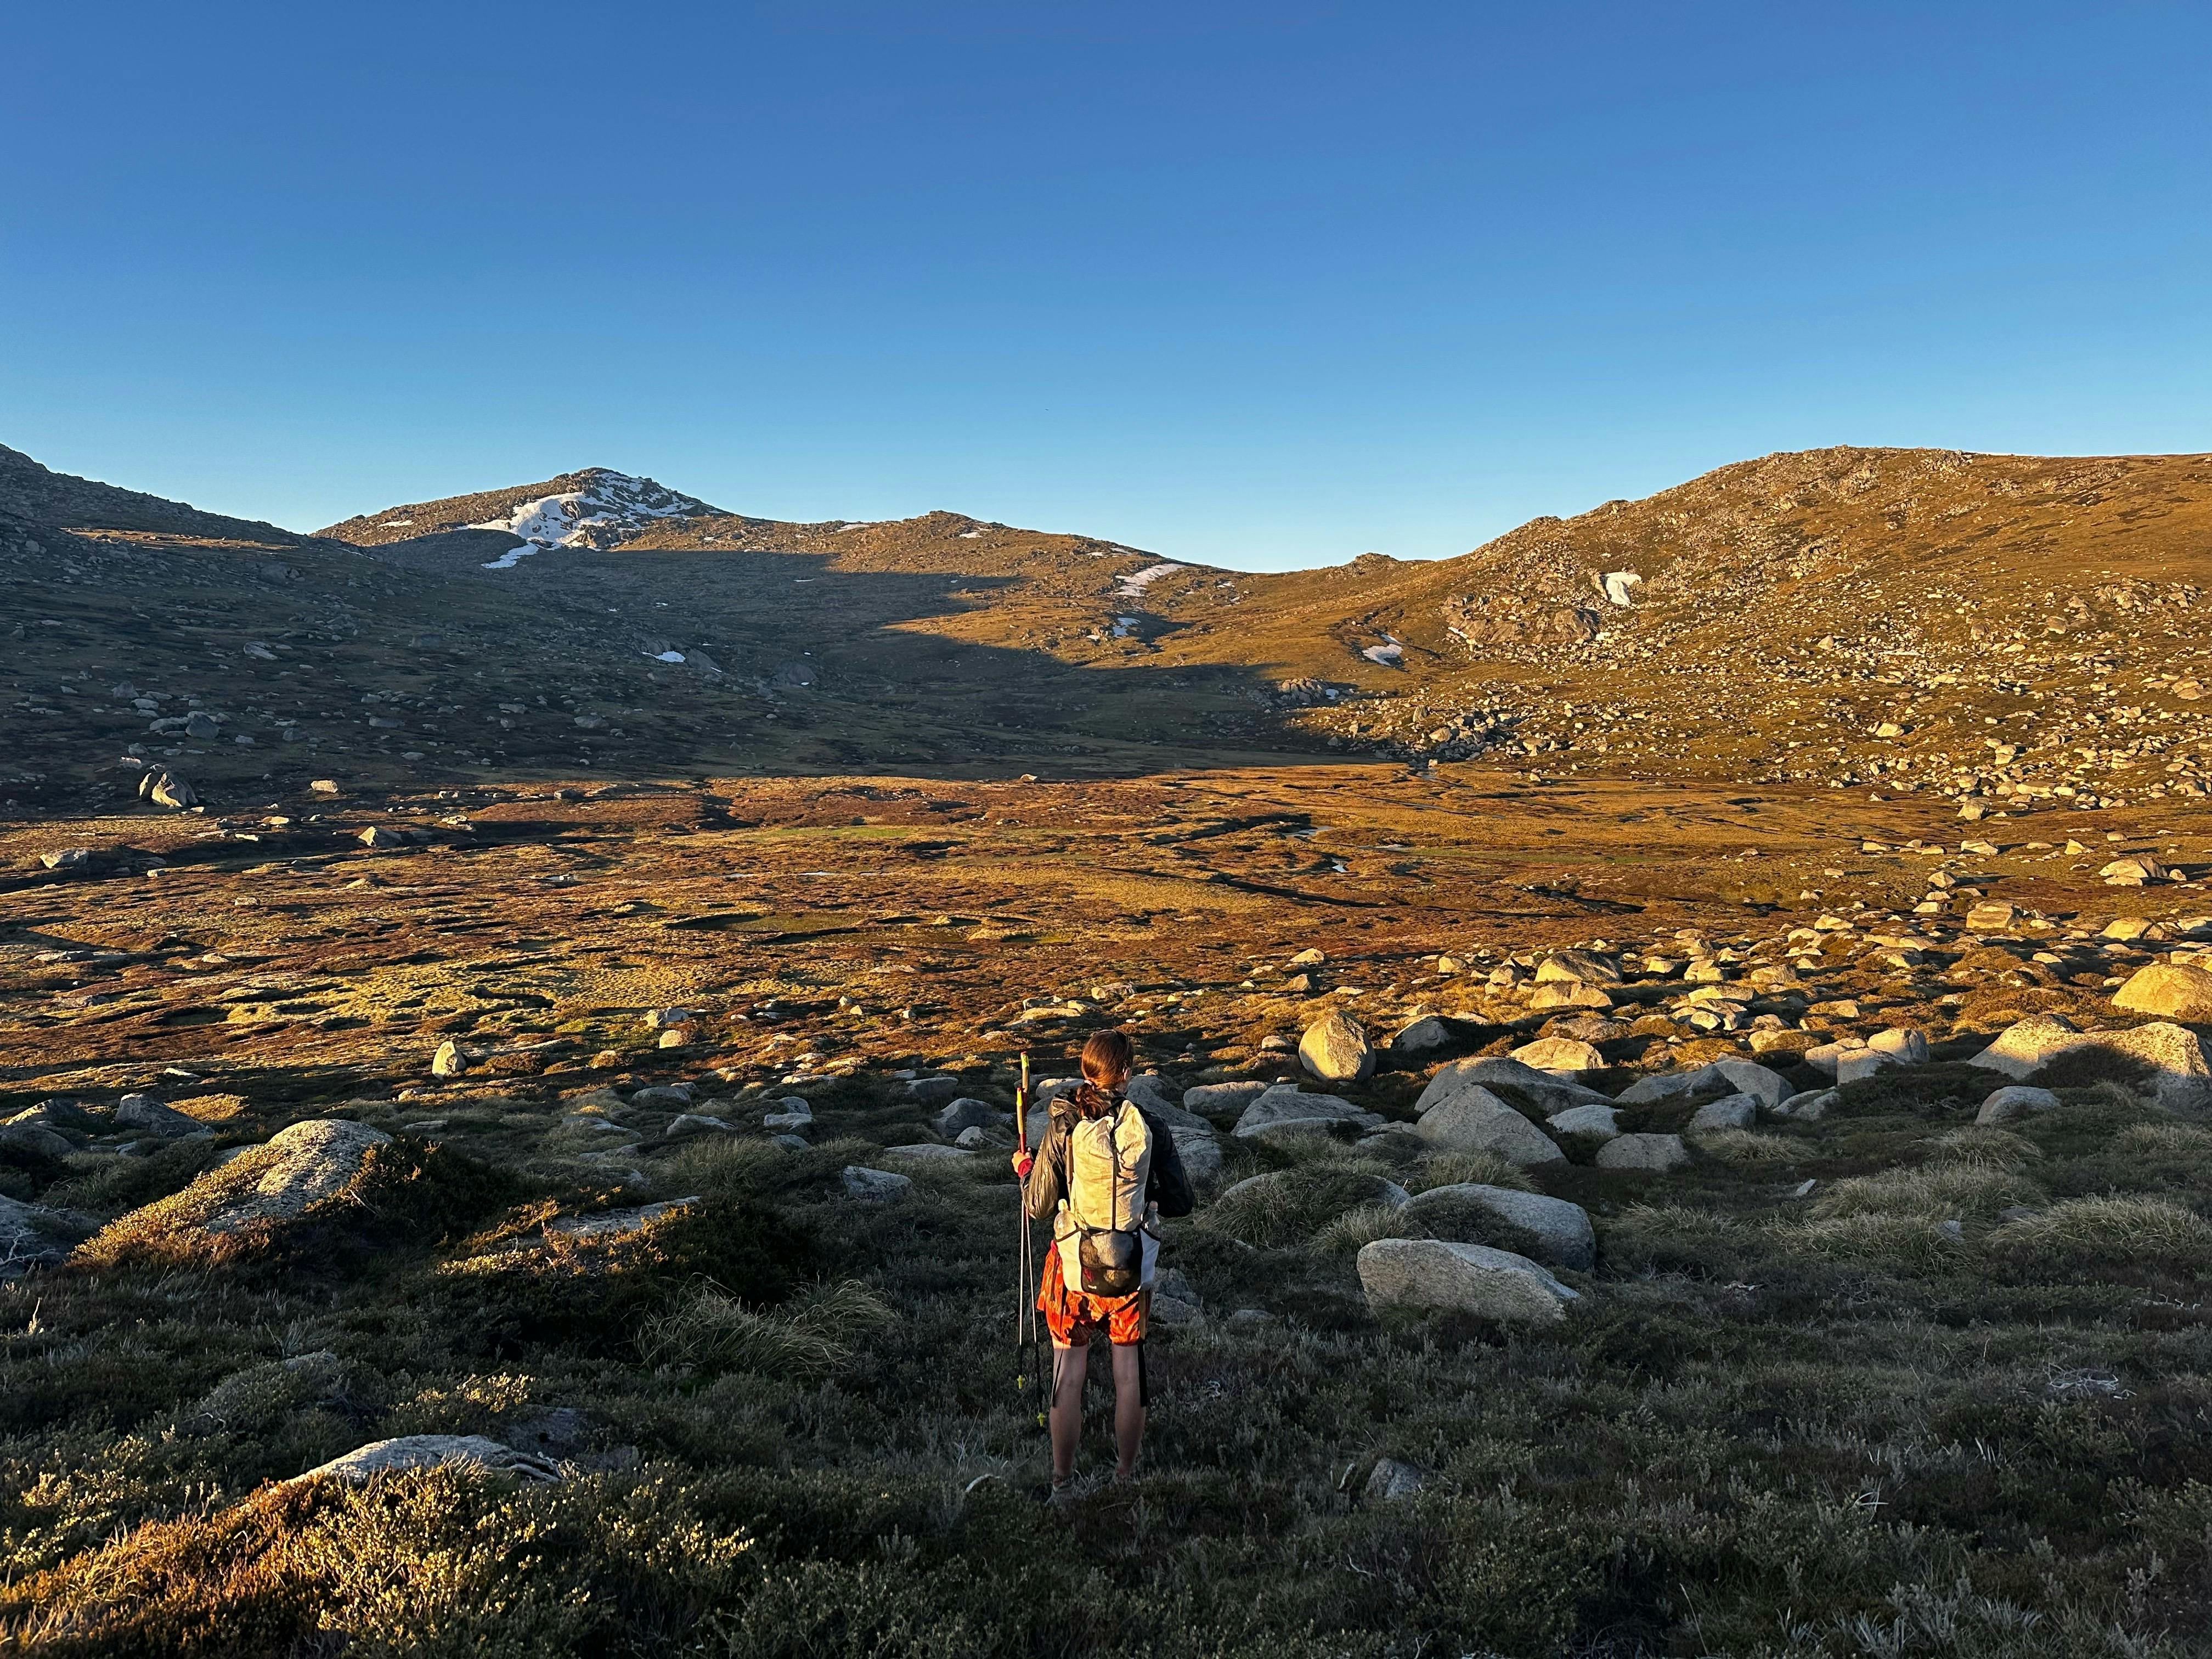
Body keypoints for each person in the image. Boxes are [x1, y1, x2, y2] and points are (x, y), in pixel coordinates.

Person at [1012, 1029, 1193, 1493]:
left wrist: (1026, 1169)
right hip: (1130, 1270)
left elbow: (1037, 1206)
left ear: (1086, 1071)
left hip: (1071, 1269)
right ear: (1127, 1074)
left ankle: (1062, 1481)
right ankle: (1126, 1476)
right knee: (1128, 1373)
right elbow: (1182, 1202)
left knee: (1068, 1372)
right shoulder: (1151, 1127)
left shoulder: (1063, 1126)